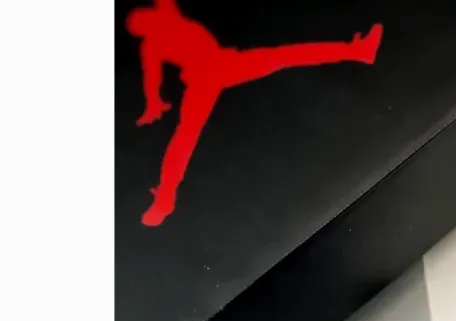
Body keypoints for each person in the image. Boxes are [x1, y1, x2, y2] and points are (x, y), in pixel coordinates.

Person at [126, 0, 384, 226]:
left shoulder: (168, 18)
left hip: (221, 65)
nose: (151, 17)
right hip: (208, 76)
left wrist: (154, 103)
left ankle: (357, 51)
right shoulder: (156, 42)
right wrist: (153, 103)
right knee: (185, 137)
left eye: (148, 14)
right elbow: (152, 79)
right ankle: (165, 198)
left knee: (285, 56)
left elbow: (152, 79)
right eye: (146, 21)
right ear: (146, 29)